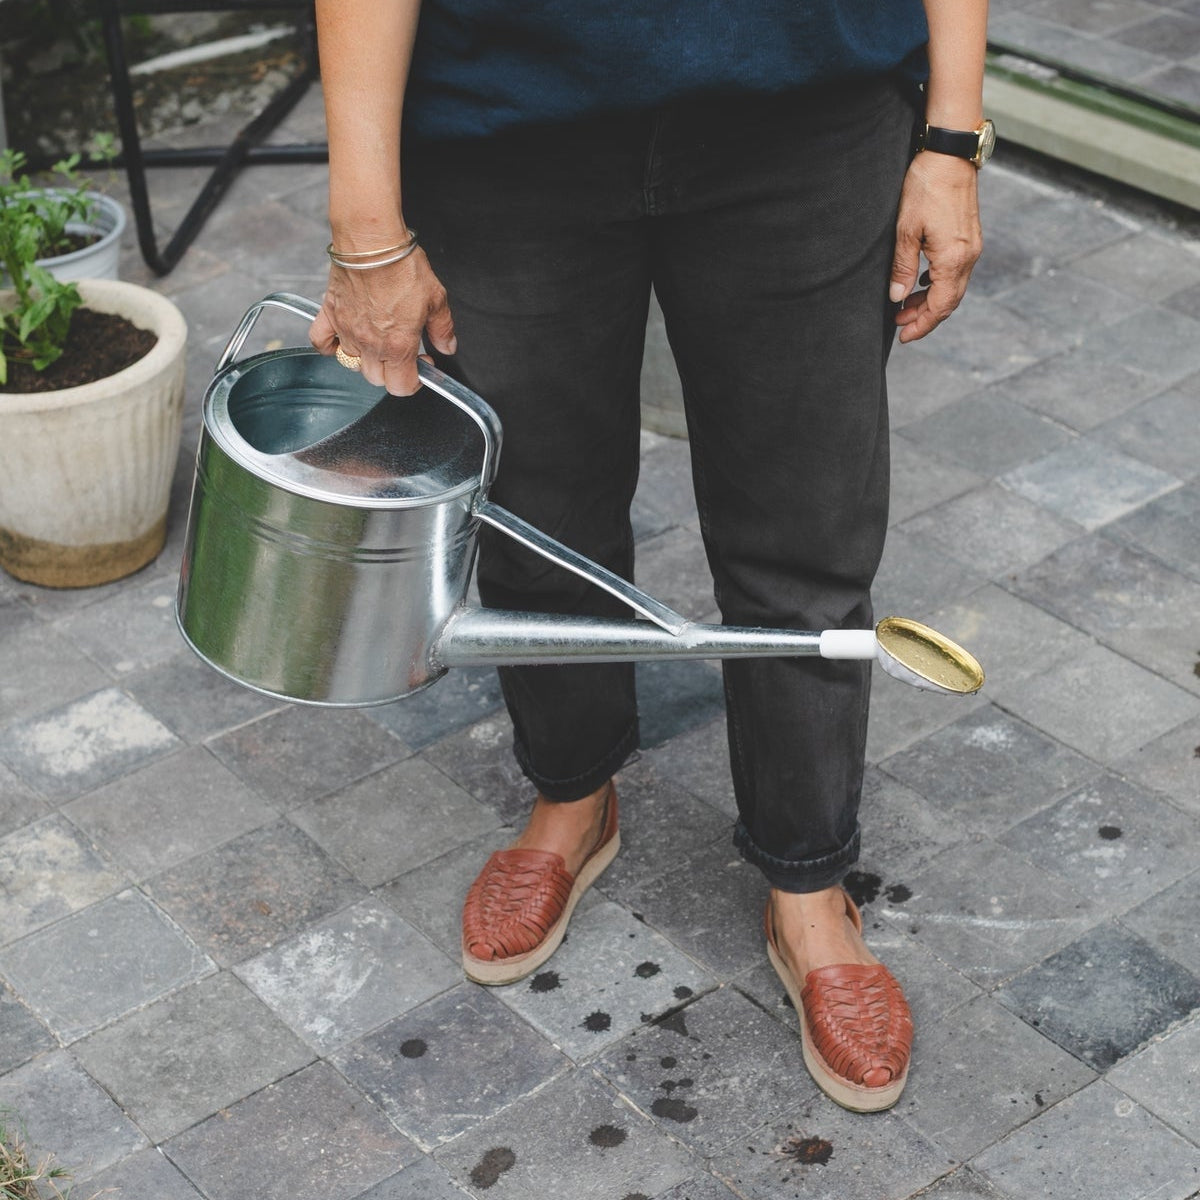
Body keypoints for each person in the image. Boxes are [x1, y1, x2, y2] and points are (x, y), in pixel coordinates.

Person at [310, 0, 988, 1113]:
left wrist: (952, 139)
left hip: (808, 117)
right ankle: (573, 798)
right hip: (506, 126)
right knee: (538, 509)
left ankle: (808, 883)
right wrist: (366, 225)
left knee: (806, 530)